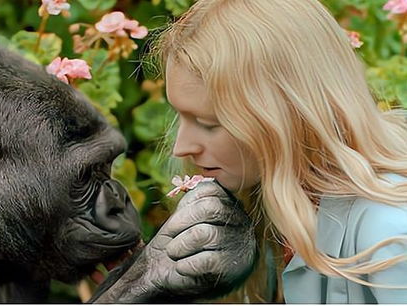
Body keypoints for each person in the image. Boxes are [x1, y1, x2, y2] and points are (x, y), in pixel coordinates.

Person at [153, 0, 407, 303]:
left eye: (209, 123)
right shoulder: (277, 212)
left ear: (289, 115)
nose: (182, 147)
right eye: (180, 116)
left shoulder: (388, 232)